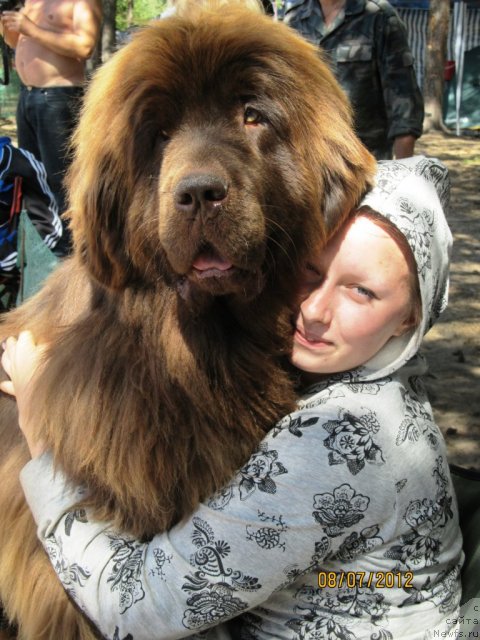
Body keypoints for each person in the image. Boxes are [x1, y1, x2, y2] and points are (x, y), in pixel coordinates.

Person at [1, 157, 462, 639]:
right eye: (310, 271)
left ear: (413, 314)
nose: (316, 311)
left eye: (362, 291)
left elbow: (137, 610)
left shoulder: (341, 441)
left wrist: (40, 437)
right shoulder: (377, 383)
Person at [0, 0, 102, 255]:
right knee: (34, 182)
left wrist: (30, 28)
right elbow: (17, 43)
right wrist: (9, 27)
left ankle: (75, 255)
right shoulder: (31, 2)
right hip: (28, 98)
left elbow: (85, 46)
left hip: (58, 97)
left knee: (62, 183)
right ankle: (48, 252)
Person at [278, 0, 424, 160]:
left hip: (367, 161)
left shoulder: (378, 16)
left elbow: (404, 103)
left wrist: (402, 170)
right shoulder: (294, 20)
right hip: (310, 162)